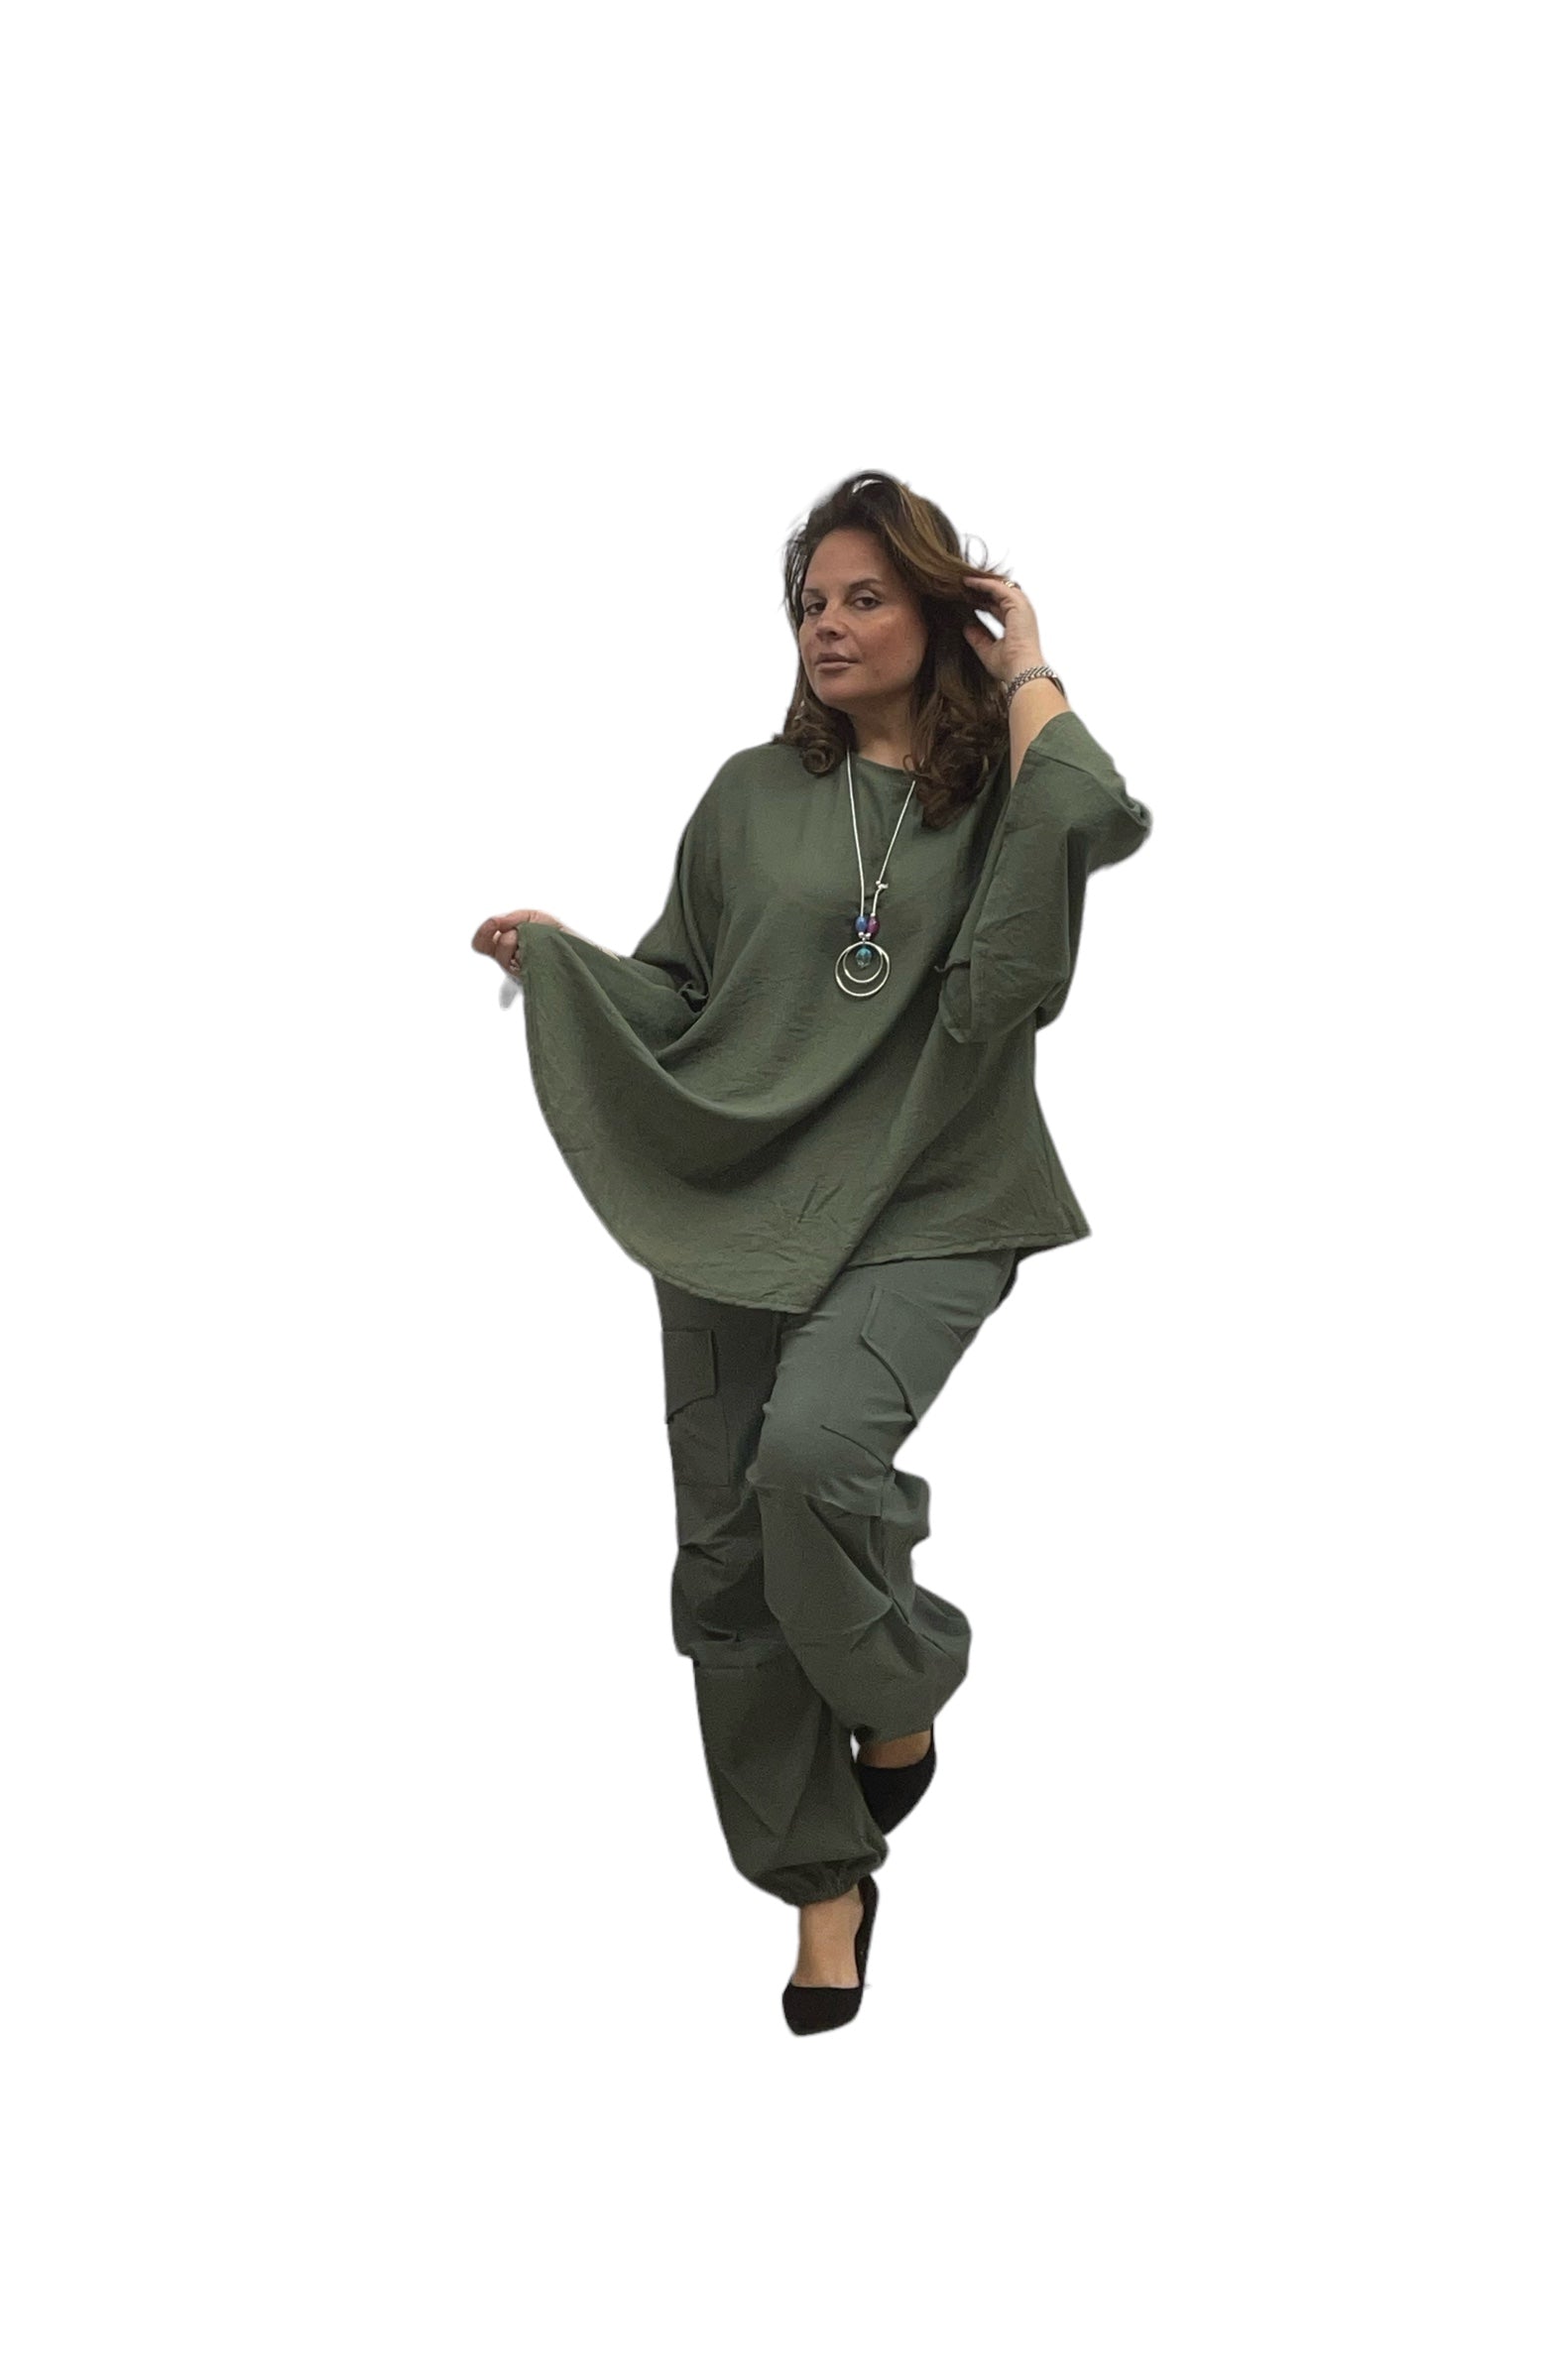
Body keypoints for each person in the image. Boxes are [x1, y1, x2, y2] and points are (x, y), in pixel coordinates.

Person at [470, 469, 1152, 2033]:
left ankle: (902, 1683)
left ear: (941, 613)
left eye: (864, 597)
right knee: (728, 1562)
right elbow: (687, 995)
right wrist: (567, 967)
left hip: (936, 1197)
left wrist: (1030, 663)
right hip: (738, 1205)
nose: (825, 626)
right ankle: (821, 1889)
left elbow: (1093, 818)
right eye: (808, 603)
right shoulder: (747, 795)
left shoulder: (1009, 792)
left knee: (814, 1461)